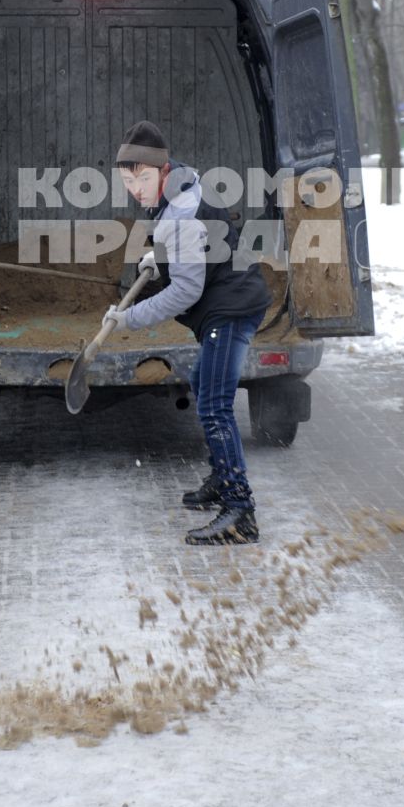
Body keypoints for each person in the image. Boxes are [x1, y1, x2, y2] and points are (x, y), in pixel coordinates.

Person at [107, 120, 272, 545]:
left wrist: (129, 318)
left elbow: (185, 290)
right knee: (203, 382)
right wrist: (156, 256)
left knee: (215, 405)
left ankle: (240, 511)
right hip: (232, 296)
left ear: (161, 171)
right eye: (127, 179)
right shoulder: (182, 186)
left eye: (141, 177)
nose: (135, 188)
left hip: (230, 308)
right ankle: (222, 479)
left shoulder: (179, 213)